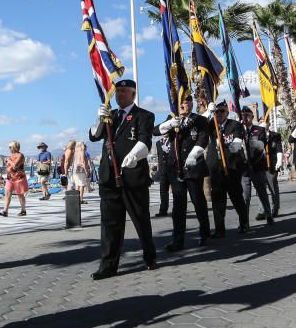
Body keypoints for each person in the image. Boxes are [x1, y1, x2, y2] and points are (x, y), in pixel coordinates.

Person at [87, 79, 157, 279]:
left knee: (141, 220)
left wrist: (135, 155)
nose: (119, 95)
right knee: (110, 224)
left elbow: (145, 140)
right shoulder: (112, 116)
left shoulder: (144, 115)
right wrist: (100, 120)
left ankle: (150, 256)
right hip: (109, 177)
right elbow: (94, 137)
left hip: (132, 177)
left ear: (133, 94)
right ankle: (108, 265)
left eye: (124, 92)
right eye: (117, 92)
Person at [157, 96, 211, 250]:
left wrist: (195, 154)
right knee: (178, 206)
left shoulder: (199, 120)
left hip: (193, 168)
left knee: (198, 202)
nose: (182, 105)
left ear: (191, 104)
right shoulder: (172, 118)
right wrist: (168, 124)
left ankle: (205, 234)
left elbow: (203, 138)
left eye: (185, 102)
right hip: (176, 169)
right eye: (179, 102)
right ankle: (178, 240)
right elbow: (155, 130)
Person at [207, 100, 248, 235]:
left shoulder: (234, 125)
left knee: (236, 197)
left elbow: (238, 138)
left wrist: (235, 145)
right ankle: (219, 229)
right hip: (216, 169)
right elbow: (200, 126)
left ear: (227, 112)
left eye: (221, 111)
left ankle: (244, 223)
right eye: (216, 111)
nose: (218, 114)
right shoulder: (211, 125)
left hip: (231, 167)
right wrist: (208, 112)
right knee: (218, 200)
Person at [239, 106, 275, 226]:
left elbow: (260, 145)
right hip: (244, 168)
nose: (245, 117)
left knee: (261, 193)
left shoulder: (259, 130)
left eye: (247, 115)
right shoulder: (238, 131)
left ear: (252, 117)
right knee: (245, 196)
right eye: (243, 115)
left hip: (257, 166)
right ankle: (244, 222)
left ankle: (268, 215)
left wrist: (247, 142)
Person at [0, 141, 28, 216]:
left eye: (10, 147)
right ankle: (5, 211)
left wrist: (9, 160)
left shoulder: (20, 155)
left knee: (20, 195)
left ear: (15, 147)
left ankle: (23, 210)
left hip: (18, 179)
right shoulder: (11, 156)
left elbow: (15, 166)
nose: (9, 148)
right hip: (10, 178)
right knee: (7, 194)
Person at [67, 141, 93, 205]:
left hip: (75, 170)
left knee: (77, 185)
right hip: (81, 170)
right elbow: (83, 161)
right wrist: (86, 170)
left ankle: (76, 199)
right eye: (83, 144)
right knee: (81, 185)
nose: (84, 145)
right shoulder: (82, 152)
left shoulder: (75, 152)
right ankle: (81, 199)